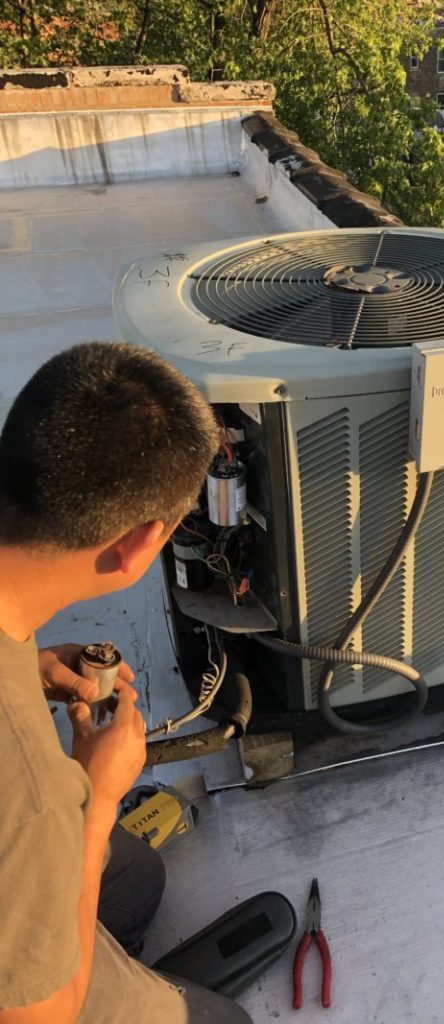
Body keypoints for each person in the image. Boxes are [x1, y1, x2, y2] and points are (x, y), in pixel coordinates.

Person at [0, 342, 253, 1023]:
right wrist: (98, 799)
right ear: (142, 544)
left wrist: (24, 663)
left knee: (134, 877)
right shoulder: (31, 791)